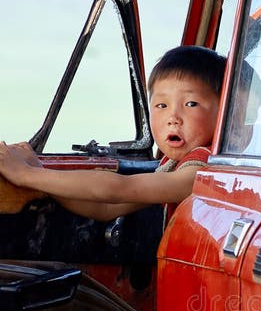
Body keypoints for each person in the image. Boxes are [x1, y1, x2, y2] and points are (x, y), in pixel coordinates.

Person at [0, 45, 226, 222]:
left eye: (191, 104)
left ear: (225, 110)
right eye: (161, 105)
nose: (173, 117)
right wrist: (39, 172)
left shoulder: (204, 169)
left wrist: (24, 174)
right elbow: (105, 209)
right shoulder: (173, 165)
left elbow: (118, 189)